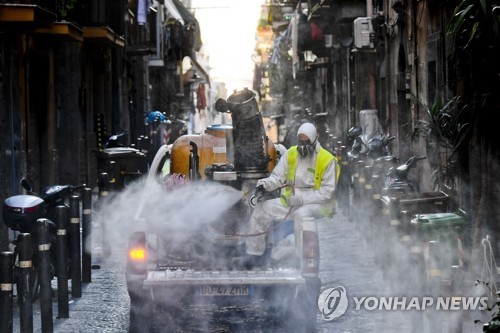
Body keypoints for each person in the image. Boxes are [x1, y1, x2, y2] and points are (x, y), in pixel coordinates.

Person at [243, 122, 340, 267]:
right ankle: (254, 255)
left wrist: (301, 199)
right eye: (300, 141)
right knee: (261, 209)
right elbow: (277, 177)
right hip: (290, 202)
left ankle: (302, 261)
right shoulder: (291, 154)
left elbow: (326, 193)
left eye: (306, 142)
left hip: (318, 205)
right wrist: (264, 185)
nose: (303, 146)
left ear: (314, 140)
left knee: (302, 214)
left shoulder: (327, 160)